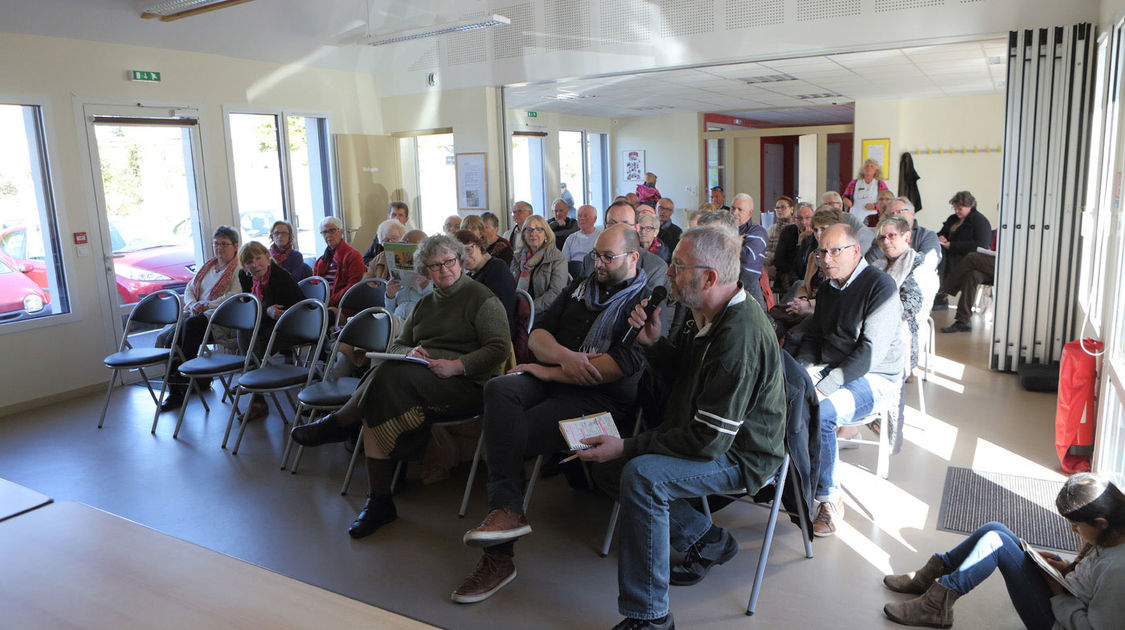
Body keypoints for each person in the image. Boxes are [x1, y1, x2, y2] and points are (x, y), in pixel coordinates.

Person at [584, 225, 786, 630]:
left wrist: (627, 446)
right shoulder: (706, 312)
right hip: (709, 436)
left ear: (709, 277)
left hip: (742, 452)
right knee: (607, 468)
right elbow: (682, 376)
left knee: (642, 475)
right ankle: (707, 540)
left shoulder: (738, 337)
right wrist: (654, 343)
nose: (669, 274)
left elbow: (708, 441)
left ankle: (651, 618)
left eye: (677, 267)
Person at [453, 225, 651, 604]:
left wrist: (544, 369)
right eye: (596, 255)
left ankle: (499, 555)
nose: (599, 263)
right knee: (499, 388)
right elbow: (540, 334)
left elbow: (607, 370)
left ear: (633, 258)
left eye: (608, 257)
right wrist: (564, 358)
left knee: (514, 431)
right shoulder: (580, 285)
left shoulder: (642, 304)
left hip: (601, 405)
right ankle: (507, 512)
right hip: (558, 379)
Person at [289, 235, 511, 539]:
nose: (444, 269)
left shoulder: (482, 298)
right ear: (425, 270)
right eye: (435, 266)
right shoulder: (426, 304)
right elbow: (399, 343)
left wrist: (458, 365)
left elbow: (498, 349)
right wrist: (409, 353)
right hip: (423, 379)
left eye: (450, 261)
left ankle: (343, 428)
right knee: (385, 382)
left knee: (387, 379)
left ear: (460, 261)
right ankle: (378, 499)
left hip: (468, 384)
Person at [882, 472, 1125, 629]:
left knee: (995, 542)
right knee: (995, 528)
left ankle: (935, 607)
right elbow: (1089, 580)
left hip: (1057, 620)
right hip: (1065, 596)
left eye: (1076, 526)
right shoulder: (1109, 537)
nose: (1074, 531)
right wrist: (1064, 569)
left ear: (1101, 522)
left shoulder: (1118, 570)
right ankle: (928, 578)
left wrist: (1057, 593)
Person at [795, 223, 903, 537]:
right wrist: (802, 370)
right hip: (834, 365)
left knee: (823, 413)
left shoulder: (880, 287)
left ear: (855, 251)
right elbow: (815, 335)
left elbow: (869, 354)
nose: (826, 259)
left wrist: (823, 387)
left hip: (875, 376)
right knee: (783, 393)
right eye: (821, 252)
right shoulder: (829, 286)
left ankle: (829, 498)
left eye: (834, 251)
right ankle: (789, 479)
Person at [158, 226, 242, 412]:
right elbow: (189, 289)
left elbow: (235, 295)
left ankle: (183, 379)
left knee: (191, 325)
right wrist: (192, 304)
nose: (219, 248)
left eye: (224, 244)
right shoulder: (208, 267)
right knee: (171, 339)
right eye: (216, 244)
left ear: (235, 246)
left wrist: (205, 304)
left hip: (220, 317)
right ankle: (176, 389)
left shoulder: (238, 268)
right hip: (197, 313)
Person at [236, 241, 304, 420]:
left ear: (268, 257)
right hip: (267, 326)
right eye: (249, 261)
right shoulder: (245, 277)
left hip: (293, 326)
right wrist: (266, 310)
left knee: (253, 343)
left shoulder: (280, 277)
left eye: (258, 258)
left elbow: (283, 312)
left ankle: (253, 382)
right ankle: (255, 380)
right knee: (245, 332)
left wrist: (264, 310)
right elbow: (250, 307)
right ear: (244, 266)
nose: (255, 264)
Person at [871, 216, 938, 371]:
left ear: (906, 237)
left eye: (891, 236)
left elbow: (909, 307)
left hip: (904, 328)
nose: (886, 241)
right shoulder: (878, 265)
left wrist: (870, 310)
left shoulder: (919, 266)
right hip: (875, 320)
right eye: (882, 238)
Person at [579, 201, 668, 293]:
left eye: (625, 224)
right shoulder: (590, 260)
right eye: (612, 224)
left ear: (636, 228)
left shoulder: (655, 267)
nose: (617, 229)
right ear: (605, 227)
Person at [455, 229, 516, 338]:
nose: (466, 258)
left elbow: (499, 313)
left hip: (497, 335)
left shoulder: (497, 268)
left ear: (479, 246)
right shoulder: (469, 277)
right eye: (459, 254)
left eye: (469, 250)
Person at [511, 214, 568, 315]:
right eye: (529, 230)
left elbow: (556, 293)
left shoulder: (557, 258)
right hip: (517, 309)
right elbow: (510, 285)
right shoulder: (517, 257)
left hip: (544, 313)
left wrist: (529, 307)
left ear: (546, 234)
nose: (533, 233)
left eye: (538, 229)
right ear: (524, 234)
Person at [937, 190, 992, 289]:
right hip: (948, 253)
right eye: (955, 208)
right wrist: (940, 237)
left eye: (959, 209)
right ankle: (941, 291)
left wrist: (952, 246)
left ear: (969, 206)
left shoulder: (980, 222)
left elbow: (981, 245)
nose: (956, 211)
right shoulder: (952, 219)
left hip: (965, 258)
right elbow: (942, 232)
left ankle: (943, 290)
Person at [867, 197, 942, 265]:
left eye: (900, 211)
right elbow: (870, 262)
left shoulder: (927, 235)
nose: (895, 216)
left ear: (912, 213)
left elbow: (927, 263)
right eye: (891, 214)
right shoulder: (883, 237)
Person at [937, 251, 995, 333]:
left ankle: (944, 291)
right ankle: (963, 321)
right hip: (994, 265)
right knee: (972, 276)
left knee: (972, 257)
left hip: (1007, 266)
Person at [313, 217, 364, 309]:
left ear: (341, 232)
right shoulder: (320, 261)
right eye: (324, 232)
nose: (328, 235)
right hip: (323, 306)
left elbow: (353, 286)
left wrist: (328, 302)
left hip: (344, 306)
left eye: (332, 231)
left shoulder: (353, 256)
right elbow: (313, 285)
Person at [730, 192, 769, 311]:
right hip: (726, 285)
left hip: (747, 287)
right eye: (733, 208)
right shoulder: (724, 230)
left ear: (750, 213)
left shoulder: (757, 231)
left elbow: (747, 257)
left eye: (740, 209)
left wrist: (731, 244)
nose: (734, 212)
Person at [384, 229, 431, 321]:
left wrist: (425, 285)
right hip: (397, 320)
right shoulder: (400, 277)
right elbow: (390, 310)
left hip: (419, 322)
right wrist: (390, 295)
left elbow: (434, 308)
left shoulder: (434, 274)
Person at [772, 201, 816, 290]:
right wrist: (799, 244)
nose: (804, 222)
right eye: (799, 218)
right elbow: (779, 260)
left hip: (811, 276)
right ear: (794, 219)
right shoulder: (787, 231)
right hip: (789, 275)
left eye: (808, 218)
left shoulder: (818, 234)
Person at [764, 195, 795, 281]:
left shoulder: (794, 228)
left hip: (786, 264)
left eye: (783, 207)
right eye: (777, 208)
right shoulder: (772, 228)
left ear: (791, 209)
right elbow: (766, 248)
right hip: (770, 261)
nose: (779, 210)